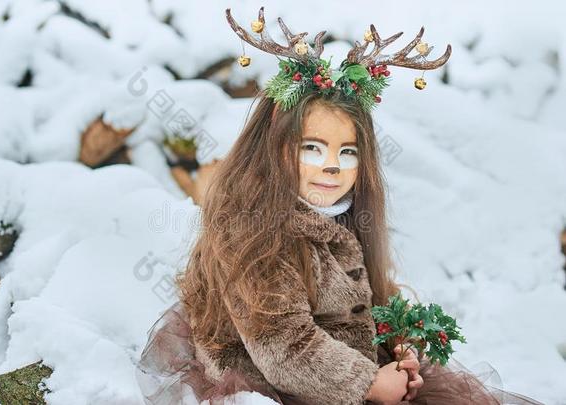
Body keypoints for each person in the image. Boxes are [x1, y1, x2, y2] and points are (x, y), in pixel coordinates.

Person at [135, 8, 544, 405]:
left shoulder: (337, 218)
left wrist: (399, 346)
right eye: (312, 148)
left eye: (346, 152)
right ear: (277, 151)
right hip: (278, 386)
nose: (331, 165)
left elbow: (363, 305)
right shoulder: (254, 232)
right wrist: (368, 382)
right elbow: (284, 345)